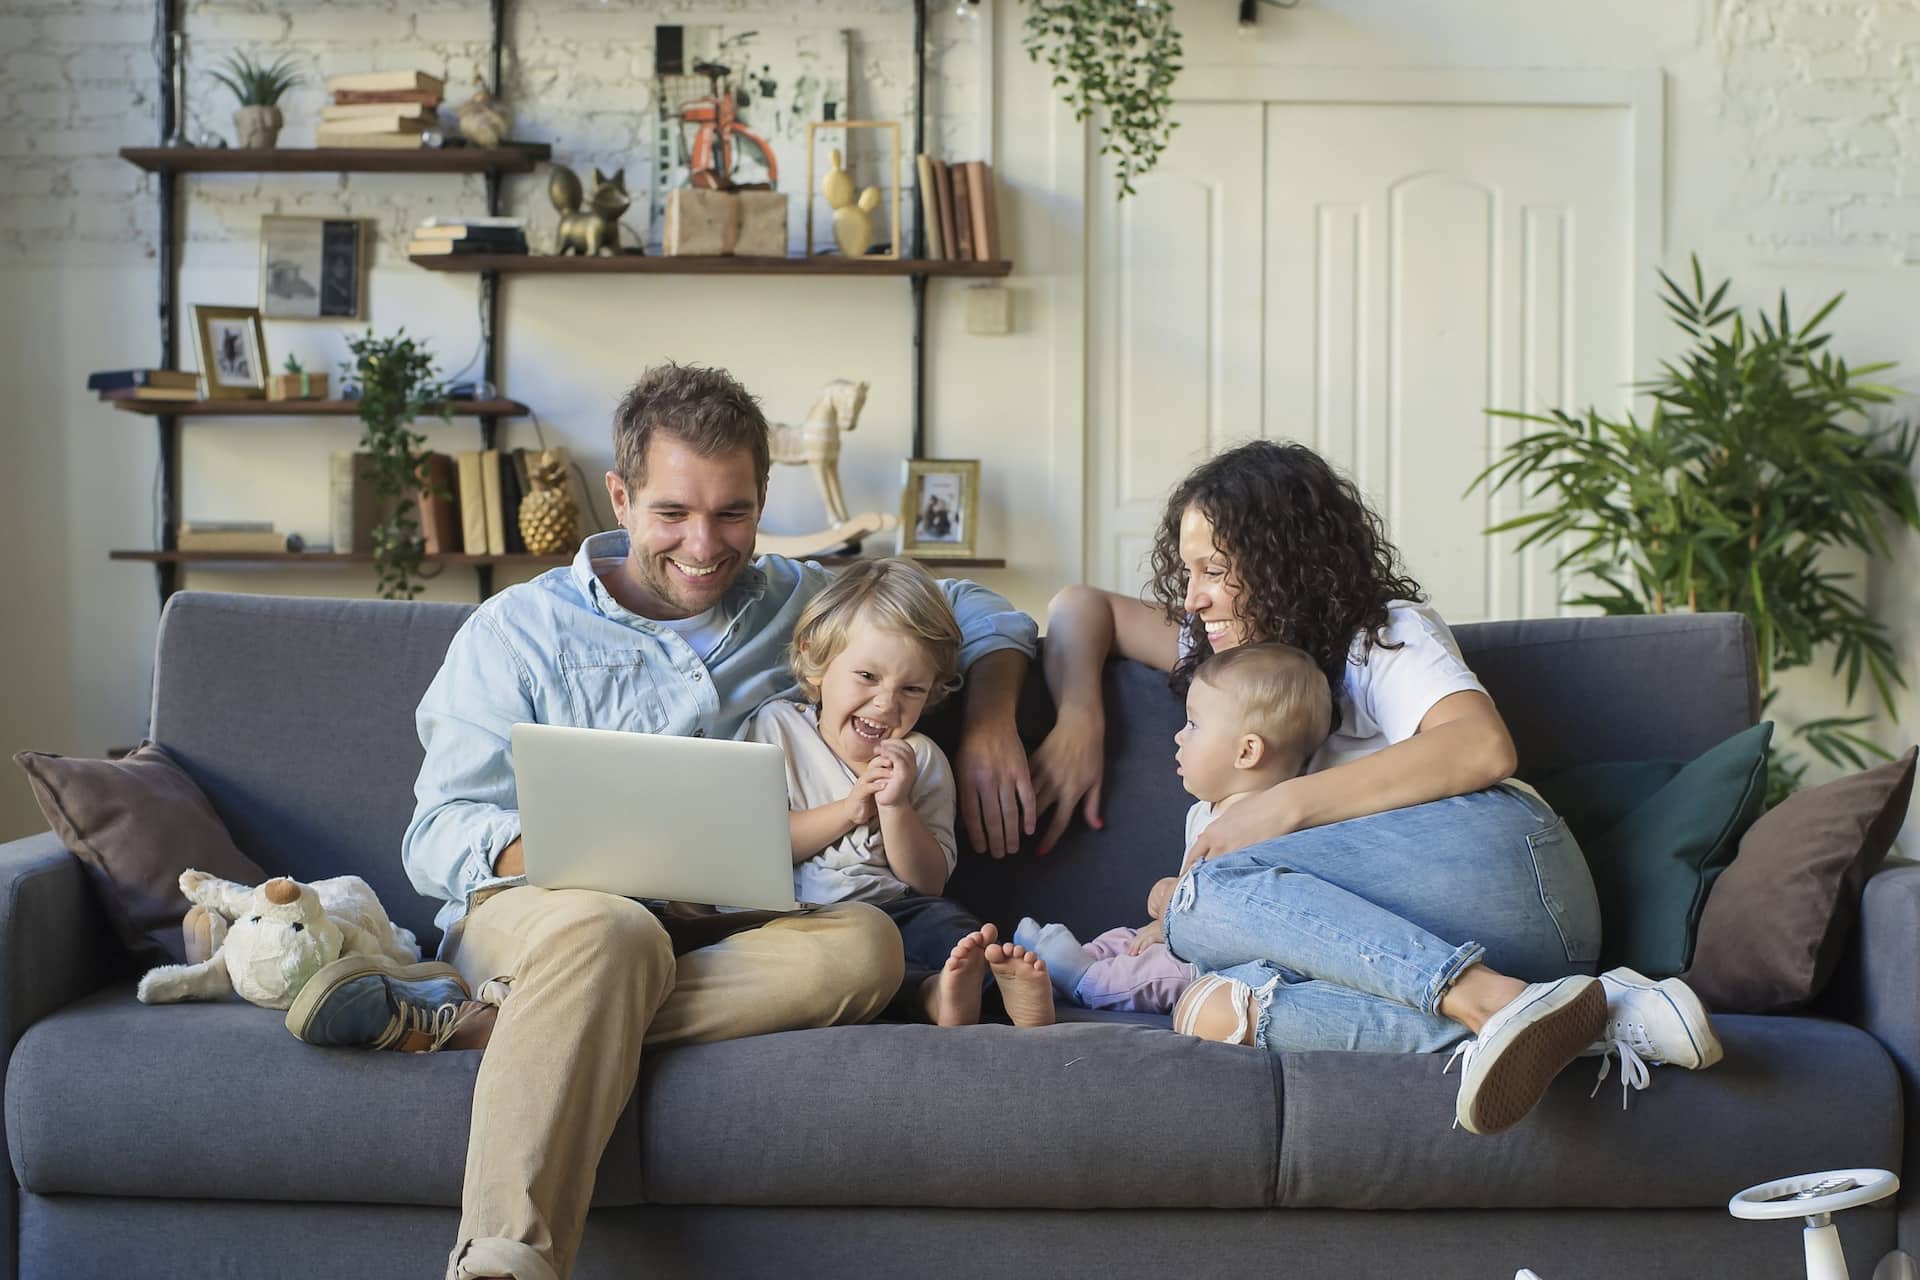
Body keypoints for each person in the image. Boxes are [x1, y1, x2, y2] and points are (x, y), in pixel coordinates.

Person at [288, 363, 1042, 1280]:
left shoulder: (800, 603)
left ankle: (500, 1026)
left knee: (867, 950)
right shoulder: (516, 631)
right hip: (549, 918)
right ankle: (501, 1262)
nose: (704, 543)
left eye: (734, 512)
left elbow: (979, 612)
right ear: (621, 495)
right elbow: (439, 834)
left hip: (727, 930)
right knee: (612, 928)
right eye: (673, 512)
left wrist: (997, 723)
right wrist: (593, 861)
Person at [1030, 439, 1722, 1135]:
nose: (1194, 597)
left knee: (1202, 894)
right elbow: (1081, 607)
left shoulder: (1381, 636)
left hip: (1515, 875)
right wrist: (1078, 720)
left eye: (1215, 569)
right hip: (1486, 947)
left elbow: (1482, 747)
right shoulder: (1228, 656)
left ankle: (1483, 1000)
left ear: (1283, 563)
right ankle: (1593, 1015)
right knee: (1210, 1004)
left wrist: (1277, 810)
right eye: (1188, 571)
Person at [747, 557, 1056, 1028]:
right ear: (815, 663)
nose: (886, 704)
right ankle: (930, 996)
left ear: (932, 690)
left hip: (897, 907)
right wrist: (849, 810)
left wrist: (895, 808)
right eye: (867, 677)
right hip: (802, 914)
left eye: (911, 688)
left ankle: (977, 994)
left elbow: (927, 880)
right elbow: (762, 845)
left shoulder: (922, 759)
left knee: (953, 930)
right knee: (830, 959)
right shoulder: (777, 728)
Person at [1015, 642, 1331, 1016]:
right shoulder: (1204, 812)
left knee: (1158, 973)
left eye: (1193, 725)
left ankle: (1085, 980)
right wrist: (1167, 905)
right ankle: (1070, 959)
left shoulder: (1263, 828)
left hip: (1218, 965)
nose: (1179, 736)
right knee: (1125, 939)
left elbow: (1231, 921)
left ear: (1246, 752)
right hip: (1182, 937)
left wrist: (1170, 918)